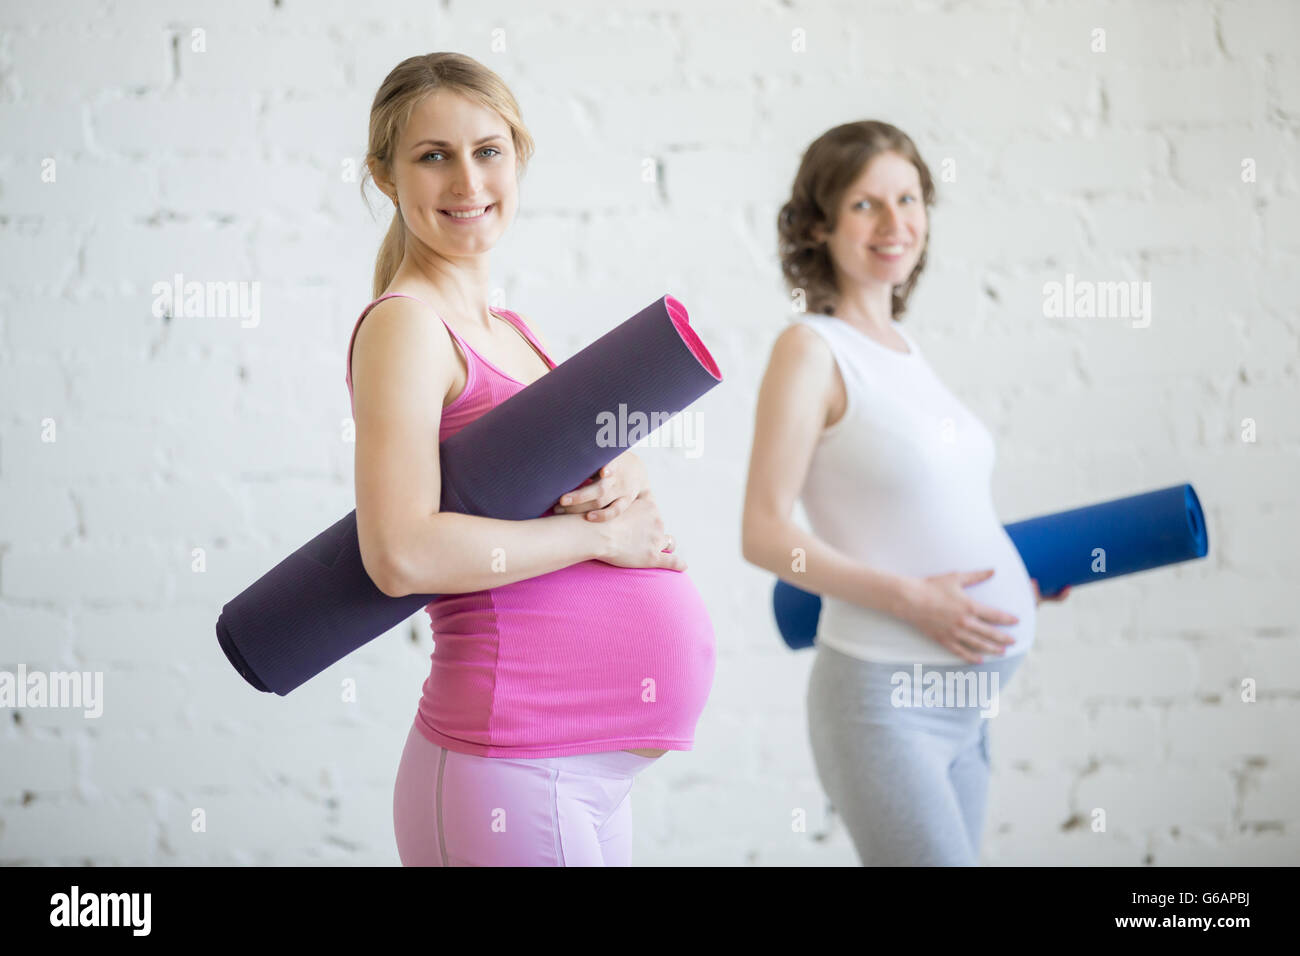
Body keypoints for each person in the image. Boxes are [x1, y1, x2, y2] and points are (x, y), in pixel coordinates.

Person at [346, 53, 715, 866]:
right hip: (509, 762)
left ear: (518, 156)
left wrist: (625, 476)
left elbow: (535, 488)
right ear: (383, 175)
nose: (467, 180)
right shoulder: (406, 326)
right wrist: (597, 541)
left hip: (576, 770)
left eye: (488, 150)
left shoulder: (509, 328)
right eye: (432, 155)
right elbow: (399, 552)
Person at [741, 121, 1070, 866]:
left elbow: (920, 513)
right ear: (820, 226)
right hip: (887, 705)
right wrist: (913, 599)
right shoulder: (810, 351)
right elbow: (762, 531)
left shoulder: (905, 351)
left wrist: (1017, 580)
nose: (896, 225)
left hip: (968, 703)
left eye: (909, 198)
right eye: (866, 205)